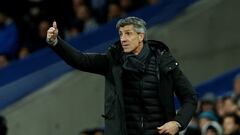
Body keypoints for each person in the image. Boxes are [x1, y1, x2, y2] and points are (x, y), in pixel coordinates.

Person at [46, 16, 198, 135]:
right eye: (120, 34)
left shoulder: (164, 62)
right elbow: (80, 60)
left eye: (128, 34)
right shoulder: (113, 61)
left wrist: (177, 123)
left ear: (141, 36)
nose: (123, 39)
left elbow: (190, 98)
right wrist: (56, 43)